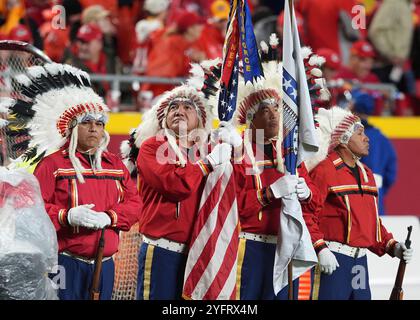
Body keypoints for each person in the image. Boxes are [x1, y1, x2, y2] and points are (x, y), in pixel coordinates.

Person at [5, 63, 141, 300]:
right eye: (87, 122)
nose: (94, 129)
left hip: (105, 265)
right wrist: (66, 216)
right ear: (72, 127)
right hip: (66, 264)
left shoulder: (115, 165)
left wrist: (109, 217)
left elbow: (135, 204)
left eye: (99, 124)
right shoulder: (52, 165)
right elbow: (32, 213)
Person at [215, 40, 322, 300]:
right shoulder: (236, 153)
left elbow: (315, 206)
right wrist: (270, 193)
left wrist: (307, 194)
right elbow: (231, 207)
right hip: (247, 246)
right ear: (251, 119)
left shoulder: (291, 154)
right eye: (265, 110)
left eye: (276, 108)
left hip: (285, 246)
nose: (274, 114)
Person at [126, 63, 232, 300]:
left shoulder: (208, 151)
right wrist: (207, 164)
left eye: (188, 107)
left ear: (200, 119)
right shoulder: (152, 147)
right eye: (173, 107)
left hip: (198, 252)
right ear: (164, 119)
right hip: (162, 248)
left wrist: (238, 145)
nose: (179, 111)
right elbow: (175, 186)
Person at [304, 107, 413, 300]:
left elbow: (370, 221)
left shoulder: (367, 173)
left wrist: (392, 245)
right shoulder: (324, 171)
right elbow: (307, 214)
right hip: (333, 260)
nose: (366, 138)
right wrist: (320, 248)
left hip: (360, 262)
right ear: (344, 139)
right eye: (360, 132)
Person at [350, 90, 397, 215]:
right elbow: (391, 173)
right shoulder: (382, 138)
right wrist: (381, 191)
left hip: (354, 200)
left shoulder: (351, 137)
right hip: (377, 200)